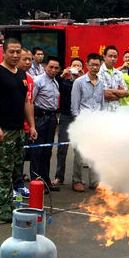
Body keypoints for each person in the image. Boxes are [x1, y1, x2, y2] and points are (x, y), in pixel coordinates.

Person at [0, 37, 37, 222]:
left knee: (16, 169)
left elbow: (27, 102)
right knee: (4, 169)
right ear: (4, 52)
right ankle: (5, 206)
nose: (15, 55)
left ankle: (9, 201)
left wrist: (31, 126)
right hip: (3, 129)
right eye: (12, 52)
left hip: (19, 130)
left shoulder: (22, 75)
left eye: (18, 52)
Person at [70, 53, 105, 192]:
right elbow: (75, 104)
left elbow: (102, 103)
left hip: (96, 122)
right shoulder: (79, 82)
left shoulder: (101, 82)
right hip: (83, 121)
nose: (95, 67)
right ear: (87, 65)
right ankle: (77, 181)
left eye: (97, 65)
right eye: (92, 64)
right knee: (79, 153)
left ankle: (95, 181)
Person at [52, 57, 84, 187]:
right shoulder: (64, 82)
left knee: (79, 150)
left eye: (79, 66)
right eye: (74, 65)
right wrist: (62, 75)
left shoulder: (84, 82)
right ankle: (59, 176)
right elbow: (54, 84)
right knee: (62, 148)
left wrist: (82, 77)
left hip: (79, 118)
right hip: (65, 117)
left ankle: (77, 180)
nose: (76, 68)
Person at [31, 56, 61, 192]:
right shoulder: (38, 81)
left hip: (52, 118)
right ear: (45, 66)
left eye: (56, 68)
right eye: (51, 67)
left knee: (47, 151)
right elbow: (30, 102)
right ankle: (36, 182)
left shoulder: (55, 82)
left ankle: (46, 180)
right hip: (40, 118)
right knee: (38, 151)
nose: (53, 70)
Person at [13, 47, 34, 197]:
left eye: (30, 59)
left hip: (26, 127)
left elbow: (30, 103)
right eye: (24, 59)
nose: (27, 62)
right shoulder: (10, 77)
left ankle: (19, 185)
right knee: (11, 159)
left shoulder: (30, 79)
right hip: (11, 126)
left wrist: (32, 125)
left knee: (21, 158)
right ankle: (10, 187)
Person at [98, 45, 129, 112]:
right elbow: (105, 94)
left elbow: (126, 93)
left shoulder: (119, 73)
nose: (113, 59)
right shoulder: (98, 72)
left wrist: (112, 91)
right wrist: (119, 94)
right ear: (104, 57)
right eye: (110, 56)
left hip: (116, 111)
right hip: (102, 112)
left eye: (115, 57)